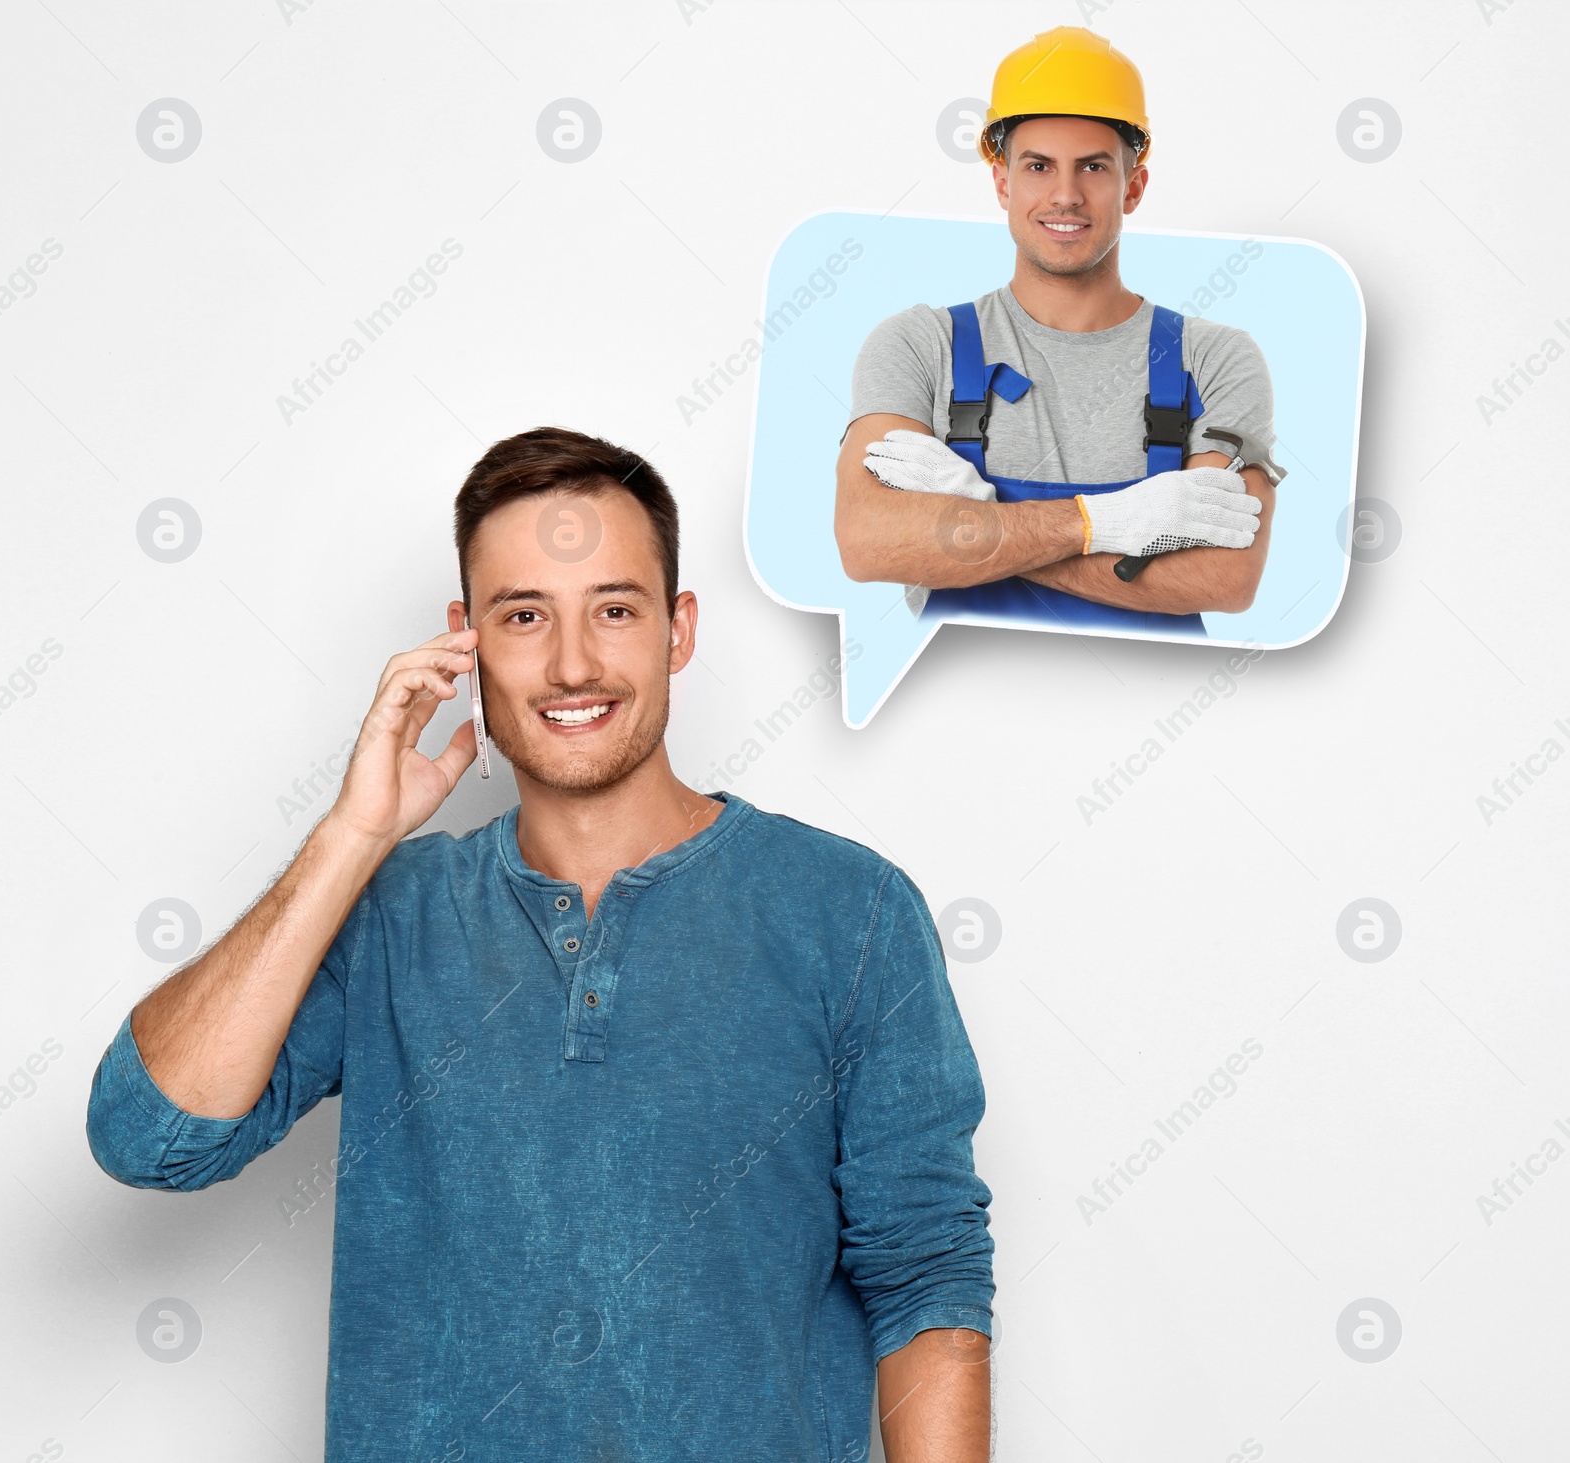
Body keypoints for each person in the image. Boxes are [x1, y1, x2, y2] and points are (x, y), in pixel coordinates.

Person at [85, 427, 996, 1463]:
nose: (572, 663)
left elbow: (925, 1274)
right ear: (462, 639)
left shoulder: (850, 909)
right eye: (524, 616)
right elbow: (151, 1136)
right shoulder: (387, 915)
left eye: (615, 608)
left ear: (677, 629)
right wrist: (352, 836)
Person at [835, 25, 1284, 638]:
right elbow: (867, 543)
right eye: (1039, 165)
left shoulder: (1214, 360)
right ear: (1002, 183)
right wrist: (1102, 525)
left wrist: (977, 520)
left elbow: (1226, 578)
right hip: (953, 715)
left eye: (1093, 167)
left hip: (1159, 711)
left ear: (1133, 186)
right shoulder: (920, 347)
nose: (1065, 195)